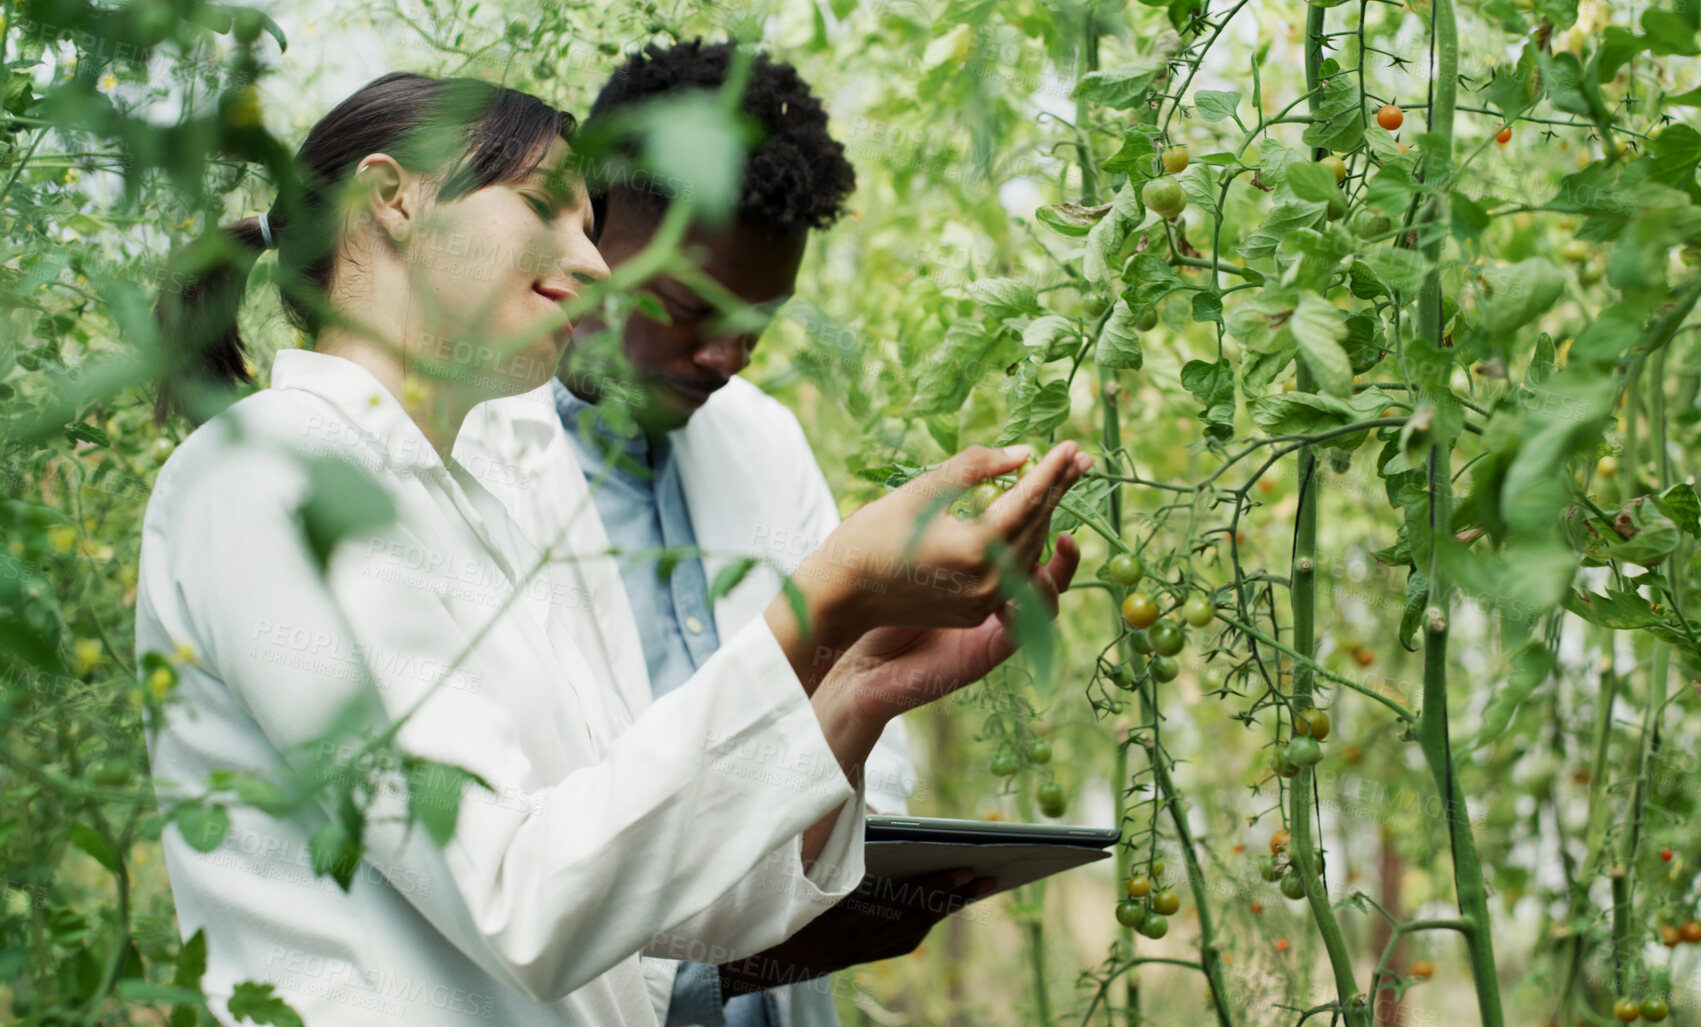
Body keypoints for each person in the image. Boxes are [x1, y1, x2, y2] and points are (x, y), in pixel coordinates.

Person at [137, 71, 1089, 1027]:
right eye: (550, 209)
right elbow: (523, 903)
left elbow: (657, 907)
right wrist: (820, 600)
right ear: (393, 200)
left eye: (591, 228)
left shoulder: (485, 508)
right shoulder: (268, 475)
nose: (591, 266)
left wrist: (857, 686)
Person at [456, 40, 1064, 1026]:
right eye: (692, 307)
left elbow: (866, 766)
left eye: (762, 318)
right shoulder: (472, 457)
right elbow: (524, 859)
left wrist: (878, 681)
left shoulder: (764, 440)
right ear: (590, 237)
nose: (728, 355)